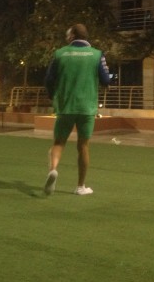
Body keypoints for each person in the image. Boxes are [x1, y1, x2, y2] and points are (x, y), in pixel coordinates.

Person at [43, 24, 111, 196]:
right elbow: (106, 79)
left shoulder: (59, 54)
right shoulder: (97, 54)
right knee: (83, 146)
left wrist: (52, 96)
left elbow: (49, 79)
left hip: (65, 106)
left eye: (67, 35)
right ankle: (80, 186)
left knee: (59, 143)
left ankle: (53, 169)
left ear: (72, 35)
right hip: (87, 107)